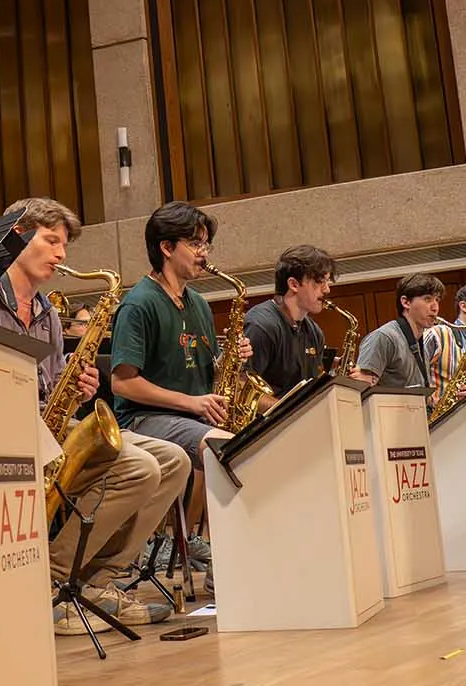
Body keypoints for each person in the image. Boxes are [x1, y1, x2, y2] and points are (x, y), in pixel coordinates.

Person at [0, 198, 189, 634]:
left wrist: (78, 392)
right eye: (51, 241)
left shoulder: (48, 315)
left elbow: (53, 393)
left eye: (65, 245)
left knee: (174, 461)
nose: (61, 254)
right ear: (17, 235)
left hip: (48, 425)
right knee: (138, 465)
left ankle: (95, 581)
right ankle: (52, 579)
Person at [108, 202, 249, 565]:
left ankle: (209, 544)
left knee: (257, 442)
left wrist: (235, 356)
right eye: (195, 244)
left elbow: (210, 370)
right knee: (227, 449)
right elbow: (123, 384)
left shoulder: (199, 304)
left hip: (192, 418)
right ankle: (225, 558)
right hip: (142, 420)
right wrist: (191, 403)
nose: (204, 254)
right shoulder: (137, 305)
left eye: (206, 245)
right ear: (166, 248)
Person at [243, 245, 332, 400]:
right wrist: (284, 412)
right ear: (294, 284)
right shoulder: (262, 326)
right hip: (267, 422)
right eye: (319, 281)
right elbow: (240, 384)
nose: (327, 290)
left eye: (327, 281)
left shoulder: (314, 331)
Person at [353, 273, 446, 390]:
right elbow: (362, 390)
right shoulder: (384, 337)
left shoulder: (420, 341)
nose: (435, 307)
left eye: (437, 300)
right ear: (406, 302)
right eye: (427, 299)